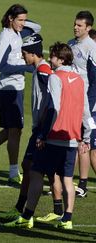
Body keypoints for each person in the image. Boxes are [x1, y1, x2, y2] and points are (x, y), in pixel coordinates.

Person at [5, 42, 91, 230]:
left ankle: (27, 216)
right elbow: (85, 111)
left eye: (52, 56)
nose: (50, 60)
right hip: (72, 138)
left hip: (53, 137)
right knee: (67, 179)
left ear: (61, 59)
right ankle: (67, 219)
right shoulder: (79, 79)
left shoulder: (55, 77)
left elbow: (54, 108)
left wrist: (43, 134)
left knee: (36, 174)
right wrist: (85, 137)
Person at [0, 34, 55, 220]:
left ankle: (30, 213)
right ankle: (26, 208)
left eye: (24, 53)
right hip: (39, 128)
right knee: (30, 166)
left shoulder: (44, 71)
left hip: (43, 128)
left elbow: (53, 100)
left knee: (39, 169)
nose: (22, 57)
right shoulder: (40, 69)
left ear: (33, 53)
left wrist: (44, 127)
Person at [0, 4, 35, 187]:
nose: (23, 23)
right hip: (9, 89)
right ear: (10, 18)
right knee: (15, 130)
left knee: (11, 130)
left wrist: (24, 26)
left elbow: (36, 28)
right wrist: (26, 67)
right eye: (20, 19)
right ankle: (13, 172)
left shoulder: (17, 33)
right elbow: (1, 67)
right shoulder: (5, 36)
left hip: (16, 88)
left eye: (25, 20)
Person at [68, 11, 96, 198]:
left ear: (88, 28)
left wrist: (88, 104)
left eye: (80, 25)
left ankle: (83, 185)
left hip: (88, 105)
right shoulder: (71, 44)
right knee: (72, 141)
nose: (76, 27)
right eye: (75, 24)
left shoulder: (91, 48)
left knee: (86, 144)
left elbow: (95, 80)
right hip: (72, 101)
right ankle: (68, 181)